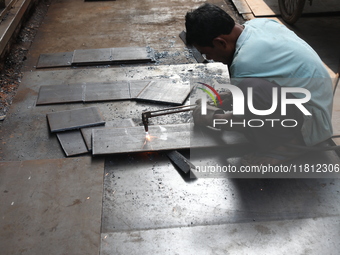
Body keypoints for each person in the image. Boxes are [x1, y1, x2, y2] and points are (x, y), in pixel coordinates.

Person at [185, 3, 333, 166]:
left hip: (311, 125)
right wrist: (229, 97)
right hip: (318, 105)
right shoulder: (259, 24)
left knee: (250, 89)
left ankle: (290, 146)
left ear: (220, 42)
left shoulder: (244, 64)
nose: (212, 59)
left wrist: (211, 118)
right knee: (248, 90)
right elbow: (272, 73)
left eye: (208, 53)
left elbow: (243, 122)